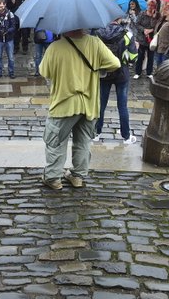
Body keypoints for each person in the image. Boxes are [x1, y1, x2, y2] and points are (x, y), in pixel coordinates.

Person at [38, 28, 120, 190]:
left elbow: (44, 71)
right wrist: (97, 68)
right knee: (83, 142)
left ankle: (53, 178)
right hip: (89, 103)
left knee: (56, 141)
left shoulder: (55, 47)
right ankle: (77, 177)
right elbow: (115, 64)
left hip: (64, 104)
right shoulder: (95, 43)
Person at [94, 20, 138, 144]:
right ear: (119, 19)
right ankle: (126, 136)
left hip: (104, 73)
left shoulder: (99, 33)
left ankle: (96, 133)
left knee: (101, 105)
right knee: (122, 106)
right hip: (121, 73)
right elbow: (133, 58)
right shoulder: (127, 34)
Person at [0, 0, 18, 79]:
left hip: (9, 39)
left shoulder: (10, 14)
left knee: (11, 57)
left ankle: (11, 72)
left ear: (5, 5)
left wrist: (7, 30)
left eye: (2, 6)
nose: (0, 8)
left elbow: (13, 26)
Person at [133, 0, 158, 78]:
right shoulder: (142, 14)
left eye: (152, 5)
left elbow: (158, 26)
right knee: (140, 56)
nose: (150, 7)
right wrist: (144, 30)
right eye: (149, 5)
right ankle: (138, 72)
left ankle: (149, 72)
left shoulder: (156, 15)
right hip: (142, 38)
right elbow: (137, 24)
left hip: (151, 39)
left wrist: (151, 30)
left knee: (151, 56)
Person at [154, 3, 169, 67]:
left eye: (167, 10)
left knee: (164, 65)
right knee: (158, 63)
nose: (164, 10)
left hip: (166, 47)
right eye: (164, 9)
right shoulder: (161, 20)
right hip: (158, 45)